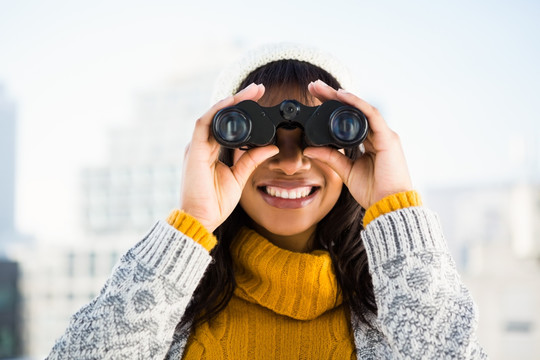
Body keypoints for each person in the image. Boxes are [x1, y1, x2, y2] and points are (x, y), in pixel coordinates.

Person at [47, 43, 487, 359]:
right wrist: (191, 223)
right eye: (261, 136)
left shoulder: (398, 317)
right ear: (221, 146)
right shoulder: (166, 310)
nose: (292, 163)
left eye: (322, 134)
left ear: (355, 145)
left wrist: (394, 206)